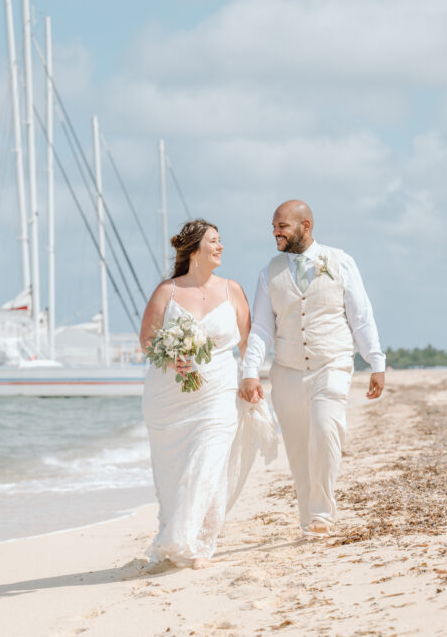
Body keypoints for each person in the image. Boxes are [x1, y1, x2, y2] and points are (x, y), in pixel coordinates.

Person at [239, 200, 385, 536]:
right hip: (287, 370)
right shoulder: (269, 273)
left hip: (331, 363)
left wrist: (376, 361)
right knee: (298, 446)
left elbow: (360, 317)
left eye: (282, 226)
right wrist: (250, 371)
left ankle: (323, 514)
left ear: (306, 226)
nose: (275, 232)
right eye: (273, 226)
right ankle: (309, 517)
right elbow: (262, 327)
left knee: (325, 431)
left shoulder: (341, 262)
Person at [139, 219, 251, 569]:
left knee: (209, 463)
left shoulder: (232, 289)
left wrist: (252, 377)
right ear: (194, 250)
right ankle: (177, 534)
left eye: (220, 241)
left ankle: (199, 544)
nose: (220, 247)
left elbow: (248, 341)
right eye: (213, 241)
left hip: (218, 392)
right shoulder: (167, 291)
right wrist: (172, 360)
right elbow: (147, 340)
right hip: (167, 400)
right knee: (173, 471)